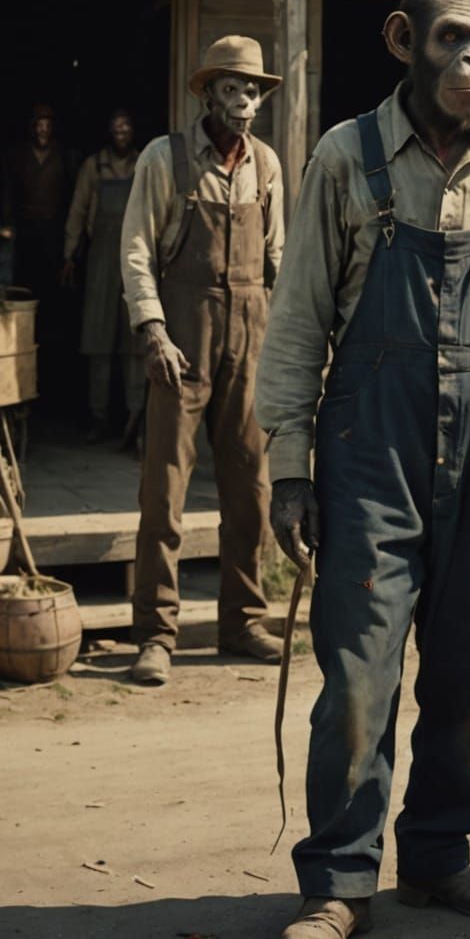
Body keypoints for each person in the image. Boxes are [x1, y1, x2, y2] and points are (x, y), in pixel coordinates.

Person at [256, 0, 470, 939]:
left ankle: (437, 858)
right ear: (404, 41)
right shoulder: (346, 159)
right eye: (451, 38)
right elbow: (297, 322)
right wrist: (289, 468)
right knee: (359, 675)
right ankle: (339, 882)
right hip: (369, 450)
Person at [120, 38, 284, 685]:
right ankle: (155, 634)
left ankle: (242, 622)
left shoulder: (266, 166)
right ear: (209, 93)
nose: (244, 101)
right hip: (182, 336)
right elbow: (137, 249)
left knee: (251, 488)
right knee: (164, 492)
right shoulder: (166, 158)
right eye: (233, 88)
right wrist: (153, 329)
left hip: (252, 333)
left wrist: (294, 346)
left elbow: (278, 260)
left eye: (253, 91)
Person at [62, 109, 143, 444]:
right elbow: (78, 210)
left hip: (136, 256)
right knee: (98, 338)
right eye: (116, 128)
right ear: (110, 131)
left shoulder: (144, 164)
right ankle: (99, 417)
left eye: (126, 127)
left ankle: (135, 422)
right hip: (101, 259)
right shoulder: (93, 167)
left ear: (132, 131)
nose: (121, 132)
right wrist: (69, 254)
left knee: (135, 340)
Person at [2, 103, 75, 372]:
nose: (43, 131)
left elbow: (71, 195)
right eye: (39, 126)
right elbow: (9, 191)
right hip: (27, 230)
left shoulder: (63, 156)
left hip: (53, 231)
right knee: (25, 285)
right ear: (32, 128)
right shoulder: (19, 155)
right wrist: (8, 222)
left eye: (47, 126)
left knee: (51, 291)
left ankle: (50, 349)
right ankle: (22, 342)